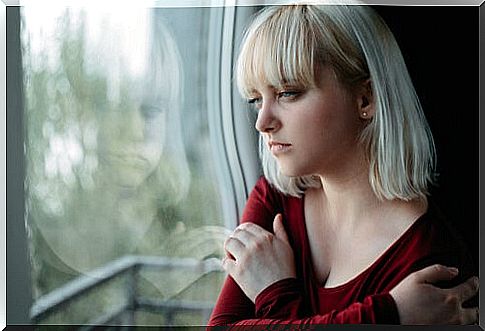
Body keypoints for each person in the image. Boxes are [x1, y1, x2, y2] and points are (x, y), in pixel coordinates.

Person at [208, 4, 479, 325]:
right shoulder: (276, 199)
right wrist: (388, 315)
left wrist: (273, 294)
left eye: (288, 93)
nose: (262, 122)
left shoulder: (430, 261)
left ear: (365, 98)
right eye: (256, 100)